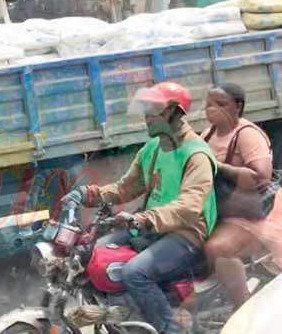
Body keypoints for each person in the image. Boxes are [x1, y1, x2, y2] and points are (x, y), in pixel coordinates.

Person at [63, 81, 217, 334]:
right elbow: (124, 188)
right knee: (94, 253)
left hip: (186, 234)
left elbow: (189, 207)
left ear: (171, 112)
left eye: (151, 111)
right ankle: (118, 319)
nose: (145, 118)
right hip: (151, 228)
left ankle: (169, 330)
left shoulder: (196, 154)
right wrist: (86, 194)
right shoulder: (152, 150)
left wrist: (143, 219)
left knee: (135, 272)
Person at [201, 83, 282, 308]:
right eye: (208, 104)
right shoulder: (208, 134)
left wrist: (217, 166)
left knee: (217, 249)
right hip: (225, 207)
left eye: (220, 104)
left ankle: (242, 305)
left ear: (237, 107)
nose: (211, 109)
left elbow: (261, 177)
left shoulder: (247, 135)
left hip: (255, 213)